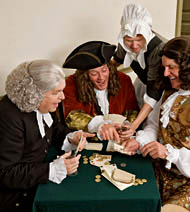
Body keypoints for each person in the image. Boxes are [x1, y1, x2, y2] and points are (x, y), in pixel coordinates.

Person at [0, 60, 94, 212]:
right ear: (35, 92)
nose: (62, 97)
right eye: (56, 92)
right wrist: (50, 170)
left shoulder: (40, 104)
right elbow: (5, 173)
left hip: (38, 181)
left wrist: (71, 137)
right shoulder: (8, 117)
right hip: (18, 197)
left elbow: (54, 129)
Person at [122, 36, 190, 211]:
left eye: (171, 67)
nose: (165, 73)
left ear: (188, 68)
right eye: (164, 67)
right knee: (126, 200)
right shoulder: (169, 91)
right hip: (159, 172)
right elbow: (154, 126)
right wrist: (140, 141)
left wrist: (169, 153)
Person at [62, 41, 139, 143]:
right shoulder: (71, 84)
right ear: (85, 76)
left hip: (118, 142)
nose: (101, 78)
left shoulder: (123, 80)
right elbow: (72, 116)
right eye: (94, 73)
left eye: (104, 70)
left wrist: (127, 126)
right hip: (87, 142)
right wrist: (100, 125)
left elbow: (132, 109)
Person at [112, 3, 169, 138]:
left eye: (139, 40)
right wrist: (98, 69)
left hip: (161, 89)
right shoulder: (124, 43)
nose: (134, 45)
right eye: (129, 40)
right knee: (138, 115)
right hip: (143, 82)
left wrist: (134, 126)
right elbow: (116, 61)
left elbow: (153, 94)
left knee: (152, 125)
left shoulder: (158, 49)